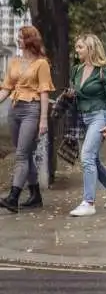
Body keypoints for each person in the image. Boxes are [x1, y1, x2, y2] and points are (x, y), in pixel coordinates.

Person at [0, 26, 55, 212]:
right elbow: (6, 88)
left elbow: (45, 92)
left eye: (21, 38)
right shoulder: (14, 62)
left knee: (21, 155)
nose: (18, 40)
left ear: (30, 40)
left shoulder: (42, 63)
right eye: (18, 38)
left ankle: (13, 197)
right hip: (15, 110)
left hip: (32, 109)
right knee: (25, 153)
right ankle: (35, 195)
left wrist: (43, 120)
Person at [68, 34, 106, 217]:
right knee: (93, 159)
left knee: (86, 156)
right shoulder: (77, 70)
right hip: (83, 118)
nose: (77, 51)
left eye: (80, 47)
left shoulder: (104, 70)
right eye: (76, 47)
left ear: (90, 48)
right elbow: (76, 93)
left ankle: (88, 202)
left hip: (100, 116)